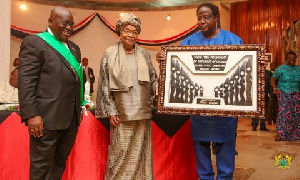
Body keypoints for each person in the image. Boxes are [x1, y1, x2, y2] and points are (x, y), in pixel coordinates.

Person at [157, 3, 242, 179]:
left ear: (216, 18)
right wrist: (165, 59)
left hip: (225, 113)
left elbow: (244, 70)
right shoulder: (188, 42)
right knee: (202, 157)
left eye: (206, 17)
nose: (202, 21)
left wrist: (258, 61)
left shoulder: (233, 41)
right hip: (199, 112)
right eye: (199, 18)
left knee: (226, 156)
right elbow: (177, 67)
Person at [18, 6, 84, 179]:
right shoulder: (35, 42)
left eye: (71, 24)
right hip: (45, 118)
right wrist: (32, 114)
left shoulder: (74, 48)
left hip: (70, 119)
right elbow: (26, 81)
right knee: (41, 167)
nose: (69, 27)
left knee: (59, 164)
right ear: (50, 21)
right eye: (64, 23)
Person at [95, 13, 157, 180]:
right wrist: (111, 111)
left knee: (140, 151)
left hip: (142, 112)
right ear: (120, 32)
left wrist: (160, 92)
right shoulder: (109, 53)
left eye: (135, 31)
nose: (131, 35)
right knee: (120, 152)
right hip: (121, 114)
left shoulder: (144, 53)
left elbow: (153, 79)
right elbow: (104, 84)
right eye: (127, 30)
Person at [271, 51, 300, 141]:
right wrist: (275, 88)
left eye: (293, 58)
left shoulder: (298, 69)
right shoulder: (281, 68)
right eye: (289, 58)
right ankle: (281, 133)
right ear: (286, 59)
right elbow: (272, 79)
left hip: (296, 94)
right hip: (284, 93)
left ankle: (295, 134)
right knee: (283, 113)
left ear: (296, 59)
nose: (292, 60)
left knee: (295, 114)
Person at [251, 66, 271, 131]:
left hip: (265, 94)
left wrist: (270, 93)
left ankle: (263, 125)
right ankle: (254, 125)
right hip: (255, 93)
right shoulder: (254, 72)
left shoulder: (268, 73)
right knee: (255, 110)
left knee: (264, 110)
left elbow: (270, 83)